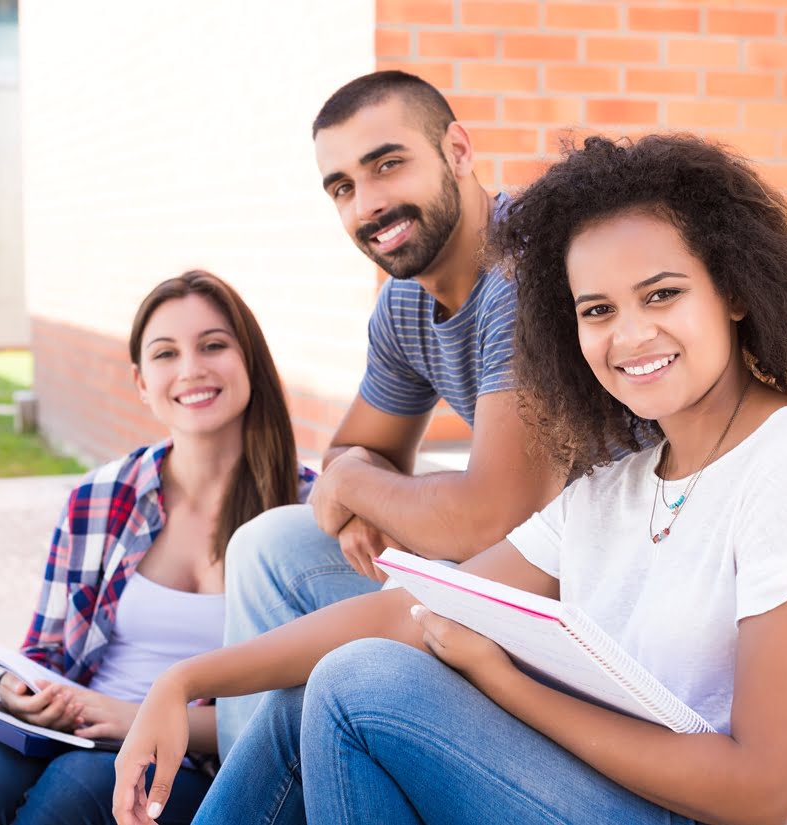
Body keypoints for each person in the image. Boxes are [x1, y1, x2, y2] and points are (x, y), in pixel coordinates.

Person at [113, 135, 787, 825]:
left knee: (360, 687)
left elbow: (762, 791)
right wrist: (184, 681)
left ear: (732, 290)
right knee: (313, 694)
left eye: (662, 294)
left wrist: (502, 681)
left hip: (720, 815)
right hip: (620, 796)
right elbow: (408, 612)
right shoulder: (618, 485)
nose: (630, 334)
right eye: (596, 309)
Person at [216, 70, 564, 756]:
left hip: (580, 588)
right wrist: (360, 490)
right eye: (342, 187)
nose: (368, 204)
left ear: (458, 151)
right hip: (501, 563)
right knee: (266, 545)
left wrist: (358, 488)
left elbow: (491, 514)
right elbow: (344, 459)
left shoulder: (528, 271)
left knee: (313, 617)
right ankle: (258, 771)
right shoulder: (405, 306)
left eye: (388, 164)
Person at [0, 271, 315, 825]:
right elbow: (45, 651)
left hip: (202, 763)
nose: (191, 369)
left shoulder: (305, 517)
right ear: (140, 383)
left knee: (73, 793)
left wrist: (138, 718)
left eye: (213, 345)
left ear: (250, 359)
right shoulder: (100, 497)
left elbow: (291, 712)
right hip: (78, 725)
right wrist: (19, 688)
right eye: (165, 354)